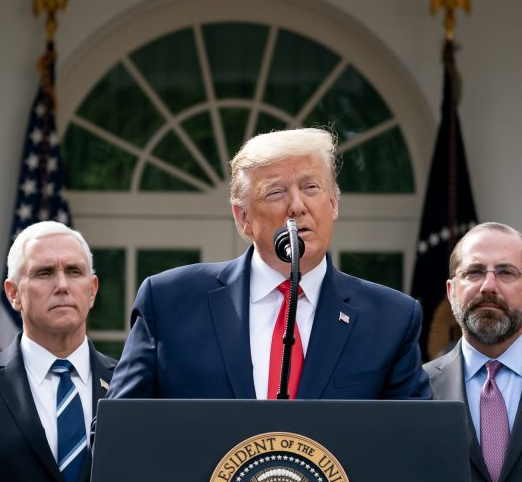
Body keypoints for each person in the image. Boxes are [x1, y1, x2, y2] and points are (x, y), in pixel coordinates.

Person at [107, 127, 430, 400]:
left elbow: (415, 440)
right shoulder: (169, 302)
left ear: (333, 204)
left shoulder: (391, 319)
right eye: (275, 192)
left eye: (311, 188)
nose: (297, 206)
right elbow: (118, 431)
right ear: (242, 217)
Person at [0, 221, 117, 482]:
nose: (62, 285)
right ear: (13, 293)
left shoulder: (129, 384)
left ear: (92, 290)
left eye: (74, 271)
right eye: (44, 273)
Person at [424, 222, 522, 482]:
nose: (489, 286)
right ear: (451, 291)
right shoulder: (416, 388)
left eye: (506, 272)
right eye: (474, 272)